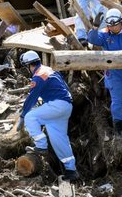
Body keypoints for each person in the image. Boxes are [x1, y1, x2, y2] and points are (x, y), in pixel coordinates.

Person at [18, 51, 78, 181]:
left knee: (31, 117)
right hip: (66, 106)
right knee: (59, 140)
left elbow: (32, 98)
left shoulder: (38, 76)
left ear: (29, 65)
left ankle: (41, 146)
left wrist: (23, 116)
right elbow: (64, 86)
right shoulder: (49, 70)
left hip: (57, 105)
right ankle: (71, 170)